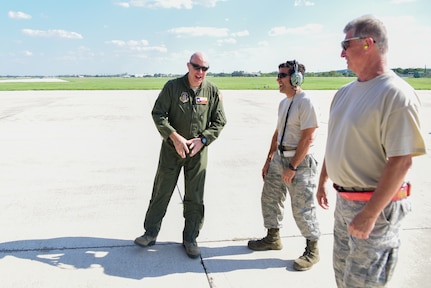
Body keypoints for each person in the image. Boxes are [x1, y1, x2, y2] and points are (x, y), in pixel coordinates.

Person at [316, 15, 426, 287]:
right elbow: (336, 141)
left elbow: (401, 162)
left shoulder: (396, 94)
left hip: (375, 207)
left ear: (368, 43)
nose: (341, 52)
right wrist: (323, 181)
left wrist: (370, 214)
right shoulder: (343, 93)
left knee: (364, 283)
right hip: (344, 201)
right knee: (343, 278)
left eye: (346, 44)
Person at [134, 52, 227, 259]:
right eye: (197, 67)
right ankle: (150, 233)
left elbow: (219, 121)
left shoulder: (211, 91)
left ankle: (190, 238)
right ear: (188, 65)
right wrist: (174, 137)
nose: (200, 72)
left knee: (195, 196)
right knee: (161, 191)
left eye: (205, 68)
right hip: (171, 150)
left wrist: (202, 140)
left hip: (197, 153)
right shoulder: (173, 87)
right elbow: (158, 114)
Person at [247, 60, 321, 271]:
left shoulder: (306, 102)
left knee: (303, 208)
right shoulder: (284, 103)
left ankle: (312, 250)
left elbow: (308, 138)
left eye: (282, 75)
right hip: (279, 159)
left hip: (299, 162)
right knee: (269, 198)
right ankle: (273, 238)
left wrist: (293, 166)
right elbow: (278, 132)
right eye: (278, 75)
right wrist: (269, 158)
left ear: (296, 78)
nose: (278, 79)